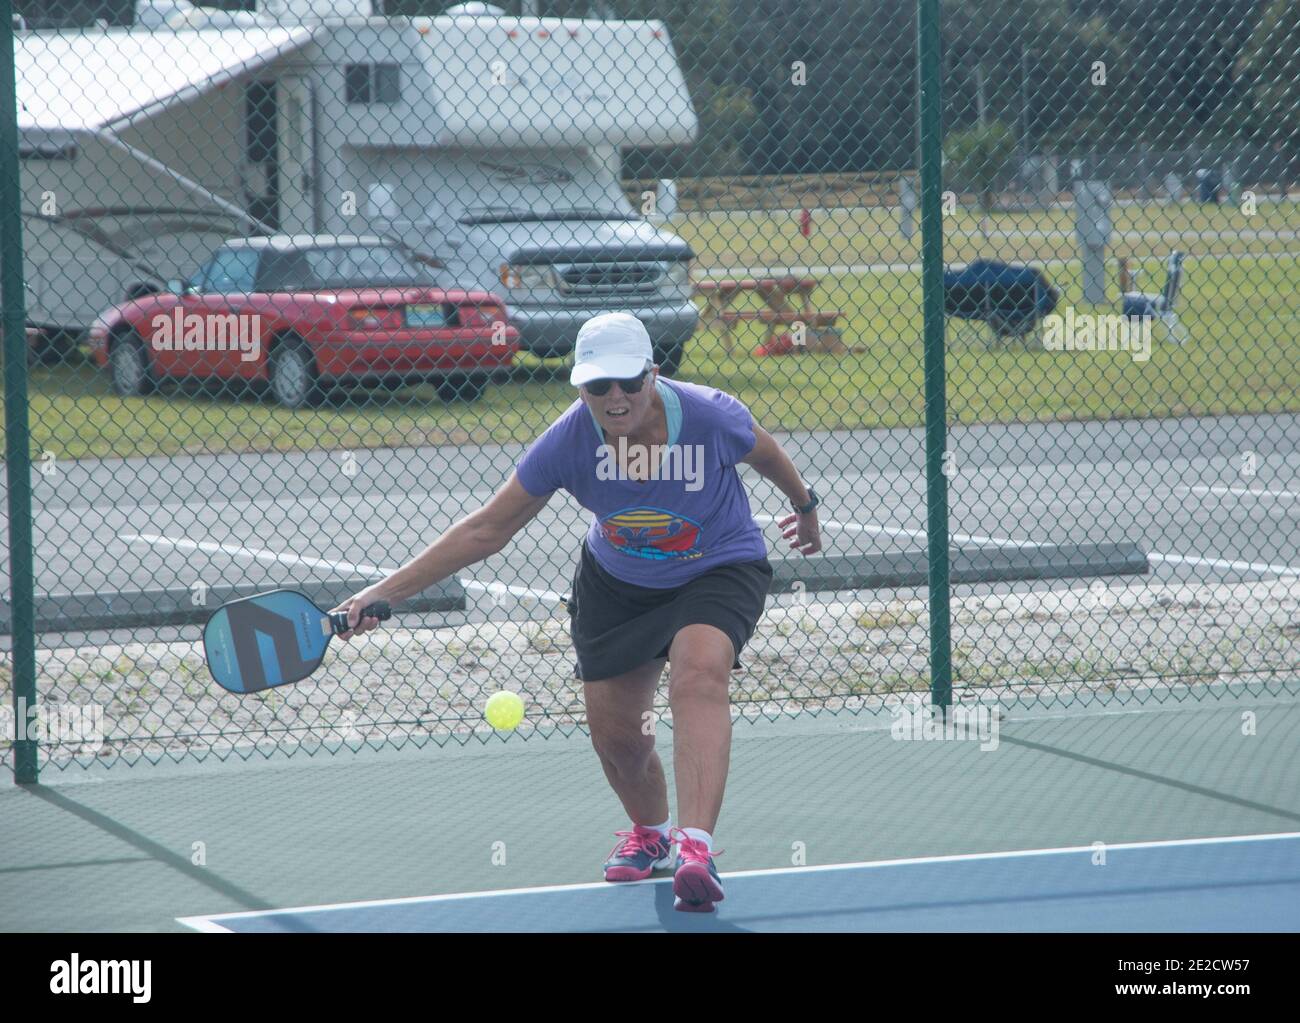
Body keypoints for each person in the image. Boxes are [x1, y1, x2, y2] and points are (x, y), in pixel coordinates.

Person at [334, 311, 822, 912]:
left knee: (699, 673)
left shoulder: (708, 415)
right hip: (617, 583)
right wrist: (384, 592)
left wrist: (805, 505)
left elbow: (765, 451)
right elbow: (489, 528)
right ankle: (652, 834)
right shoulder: (569, 442)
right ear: (580, 387)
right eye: (598, 386)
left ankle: (695, 849)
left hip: (716, 566)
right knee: (619, 741)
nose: (614, 398)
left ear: (653, 375)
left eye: (627, 382)